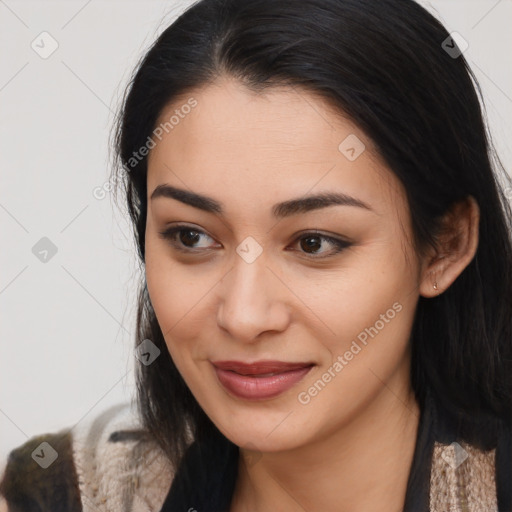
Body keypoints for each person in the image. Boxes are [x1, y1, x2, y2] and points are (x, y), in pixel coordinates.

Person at [1, 0, 511, 510]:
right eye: (191, 237)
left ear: (445, 245)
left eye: (314, 243)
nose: (243, 317)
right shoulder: (66, 492)